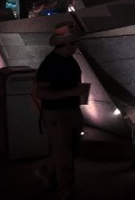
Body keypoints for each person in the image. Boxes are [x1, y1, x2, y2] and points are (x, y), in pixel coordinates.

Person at [34, 22, 86, 200]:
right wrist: (71, 92)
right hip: (57, 113)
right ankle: (66, 190)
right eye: (75, 42)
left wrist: (77, 95)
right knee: (64, 153)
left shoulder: (69, 60)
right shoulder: (50, 64)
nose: (77, 45)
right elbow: (39, 92)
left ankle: (47, 171)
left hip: (71, 110)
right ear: (68, 44)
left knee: (64, 149)